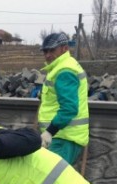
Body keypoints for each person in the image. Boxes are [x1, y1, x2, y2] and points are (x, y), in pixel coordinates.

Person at [38, 32, 89, 165]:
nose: (48, 55)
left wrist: (49, 132)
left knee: (51, 181)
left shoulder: (64, 71)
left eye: (52, 50)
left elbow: (69, 108)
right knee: (53, 180)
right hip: (62, 136)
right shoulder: (63, 66)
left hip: (64, 137)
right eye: (45, 51)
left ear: (64, 48)